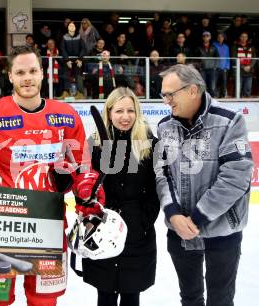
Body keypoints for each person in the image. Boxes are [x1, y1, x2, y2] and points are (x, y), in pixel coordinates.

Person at [0, 45, 104, 306]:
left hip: (48, 226)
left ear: (42, 73)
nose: (27, 77)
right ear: (10, 76)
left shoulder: (66, 116)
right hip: (0, 226)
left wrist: (88, 197)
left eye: (33, 70)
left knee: (44, 301)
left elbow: (82, 166)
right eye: (20, 72)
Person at [156, 64, 253, 306]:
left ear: (192, 90)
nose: (166, 101)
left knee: (220, 300)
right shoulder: (164, 126)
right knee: (190, 299)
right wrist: (173, 213)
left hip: (222, 232)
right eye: (163, 95)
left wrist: (197, 217)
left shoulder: (230, 122)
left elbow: (236, 177)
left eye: (170, 94)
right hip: (179, 232)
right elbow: (162, 173)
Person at [82, 87, 160, 306]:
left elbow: (156, 190)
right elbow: (85, 185)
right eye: (119, 111)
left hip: (137, 234)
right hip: (101, 231)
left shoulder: (149, 145)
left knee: (131, 294)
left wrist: (143, 222)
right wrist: (92, 216)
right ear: (109, 113)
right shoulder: (95, 144)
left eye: (130, 111)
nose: (125, 117)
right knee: (105, 294)